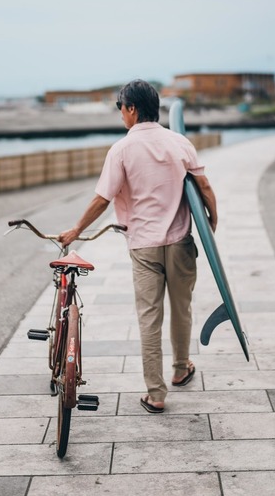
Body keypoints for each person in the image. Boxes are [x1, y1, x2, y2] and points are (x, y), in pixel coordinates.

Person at [58, 79, 218, 413]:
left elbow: (102, 200)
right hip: (180, 241)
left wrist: (75, 230)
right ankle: (181, 367)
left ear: (131, 109)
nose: (120, 113)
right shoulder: (179, 143)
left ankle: (156, 393)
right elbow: (203, 185)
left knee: (149, 318)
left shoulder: (121, 150)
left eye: (120, 107)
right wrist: (211, 223)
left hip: (143, 247)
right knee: (181, 307)